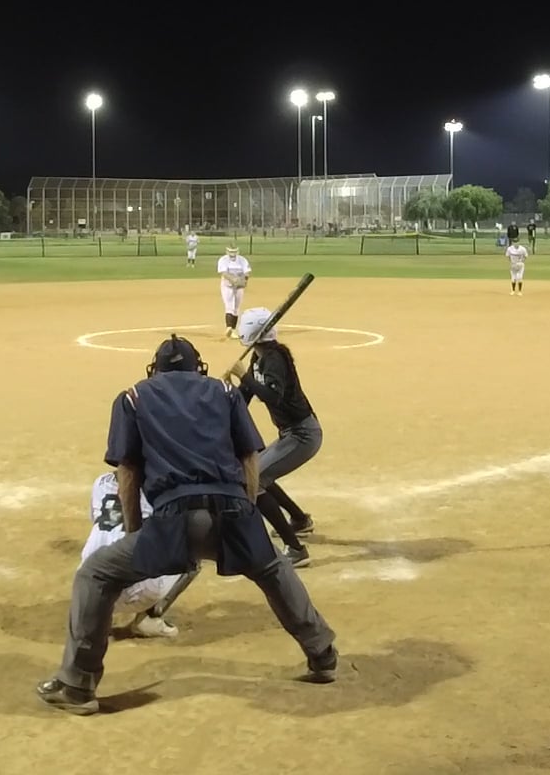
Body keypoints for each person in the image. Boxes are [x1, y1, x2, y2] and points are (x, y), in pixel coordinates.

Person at [35, 335, 336, 715]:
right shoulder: (226, 393)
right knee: (273, 569)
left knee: (95, 574)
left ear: (155, 369)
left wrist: (137, 533)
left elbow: (128, 473)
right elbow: (249, 460)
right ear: (199, 367)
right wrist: (245, 516)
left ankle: (78, 686)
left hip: (173, 519)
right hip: (233, 509)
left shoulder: (132, 398)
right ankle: (323, 653)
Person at [228, 307, 321, 568]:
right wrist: (226, 392)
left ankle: (296, 549)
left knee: (253, 481)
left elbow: (273, 396)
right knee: (257, 471)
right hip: (291, 433)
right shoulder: (259, 358)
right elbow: (244, 397)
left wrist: (244, 376)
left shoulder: (274, 358)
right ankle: (299, 520)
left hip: (303, 435)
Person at [80, 471, 199, 638]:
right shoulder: (163, 488)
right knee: (193, 543)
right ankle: (148, 618)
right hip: (141, 590)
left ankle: (94, 617)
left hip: (91, 586)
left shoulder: (100, 482)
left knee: (103, 544)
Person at [216, 246, 250, 338]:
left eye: (234, 251)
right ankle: (229, 327)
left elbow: (246, 272)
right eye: (231, 251)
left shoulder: (242, 260)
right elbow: (224, 273)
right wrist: (233, 280)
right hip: (227, 286)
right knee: (229, 306)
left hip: (239, 287)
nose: (232, 253)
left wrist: (244, 281)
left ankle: (233, 330)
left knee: (236, 308)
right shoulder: (223, 260)